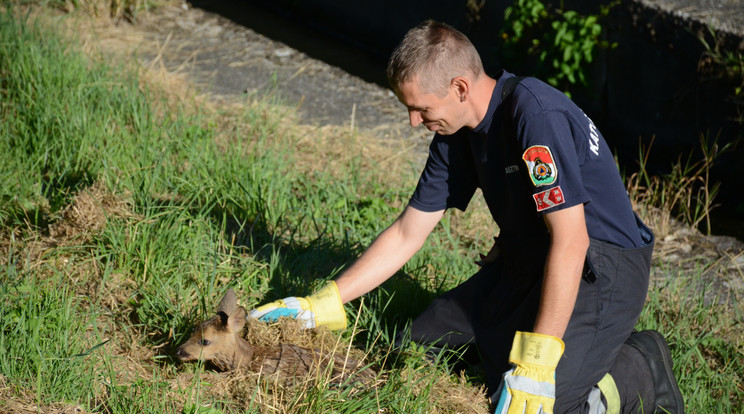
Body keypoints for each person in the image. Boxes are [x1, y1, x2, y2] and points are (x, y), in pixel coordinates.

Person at [249, 20, 684, 413]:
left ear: (459, 88)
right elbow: (407, 231)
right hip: (532, 257)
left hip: (601, 266)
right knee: (416, 346)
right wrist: (323, 303)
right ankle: (529, 348)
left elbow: (573, 241)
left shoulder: (534, 116)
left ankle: (639, 367)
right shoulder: (455, 132)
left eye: (420, 108)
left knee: (539, 402)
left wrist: (539, 359)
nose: (413, 121)